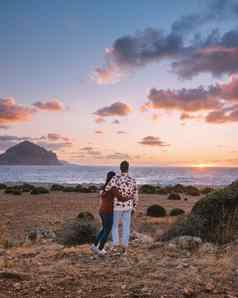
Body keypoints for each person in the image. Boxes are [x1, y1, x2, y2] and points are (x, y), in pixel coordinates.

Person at [105, 161, 138, 255]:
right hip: (128, 206)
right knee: (126, 227)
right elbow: (135, 195)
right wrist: (134, 206)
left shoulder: (115, 178)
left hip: (117, 207)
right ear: (128, 168)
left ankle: (115, 246)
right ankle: (125, 249)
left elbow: (107, 189)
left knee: (114, 226)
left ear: (120, 168)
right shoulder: (132, 180)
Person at [91, 171, 117, 256]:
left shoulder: (104, 187)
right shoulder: (113, 188)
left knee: (104, 228)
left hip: (101, 210)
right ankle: (100, 249)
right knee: (107, 230)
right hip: (108, 211)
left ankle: (94, 246)